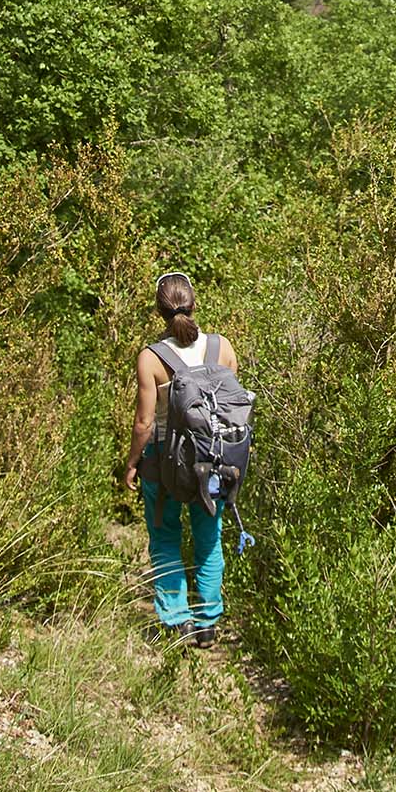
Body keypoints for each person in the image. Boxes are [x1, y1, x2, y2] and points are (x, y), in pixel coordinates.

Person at [125, 271, 240, 647]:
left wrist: (131, 464)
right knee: (209, 540)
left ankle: (176, 622)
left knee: (165, 537)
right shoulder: (221, 347)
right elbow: (227, 407)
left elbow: (144, 422)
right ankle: (207, 623)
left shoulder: (151, 357)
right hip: (213, 460)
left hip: (164, 459)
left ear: (159, 311)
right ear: (194, 303)